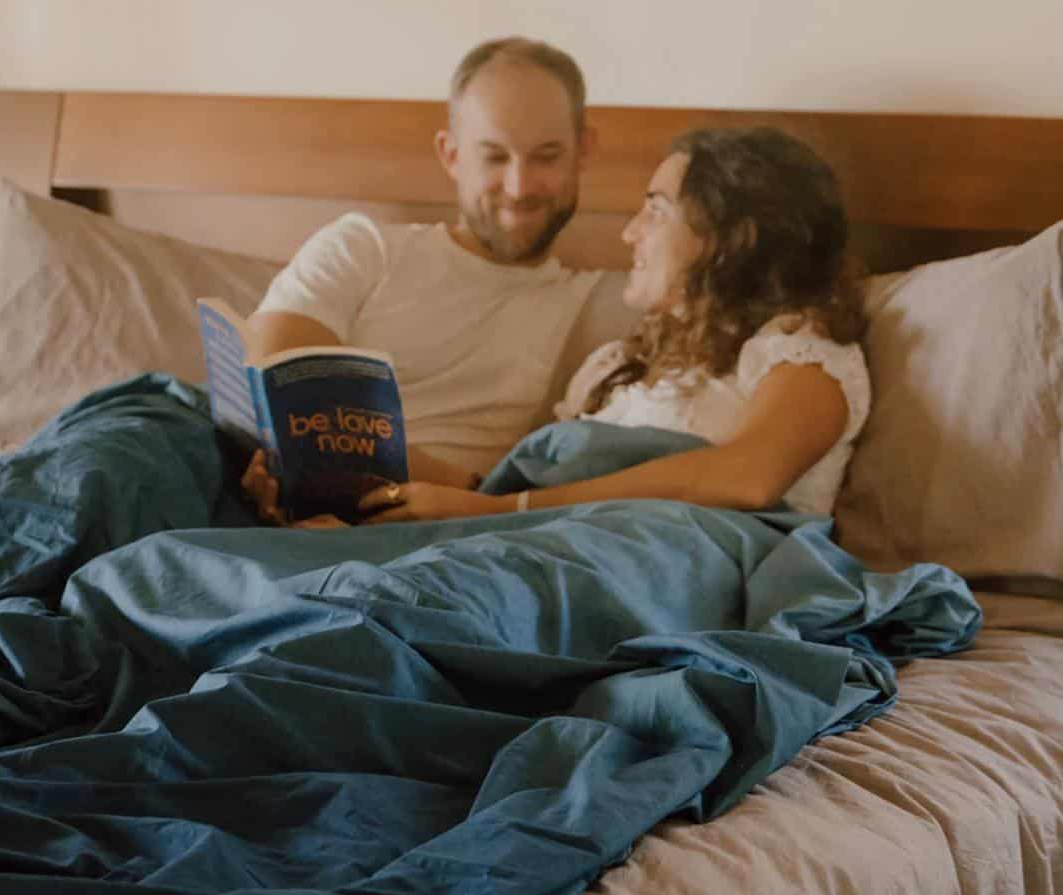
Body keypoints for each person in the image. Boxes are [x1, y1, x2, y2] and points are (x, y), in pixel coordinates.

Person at [253, 126, 871, 527]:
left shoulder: (800, 350)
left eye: (654, 211)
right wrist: (336, 468)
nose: (630, 233)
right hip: (543, 545)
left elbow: (748, 478)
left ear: (737, 237)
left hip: (655, 568)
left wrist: (497, 512)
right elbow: (507, 484)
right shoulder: (615, 368)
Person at [243, 36, 605, 492]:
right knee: (148, 416)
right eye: (494, 156)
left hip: (427, 529)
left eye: (546, 156)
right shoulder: (362, 247)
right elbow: (274, 392)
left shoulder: (594, 307)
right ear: (450, 155)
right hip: (268, 488)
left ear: (584, 150)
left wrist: (464, 498)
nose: (519, 186)